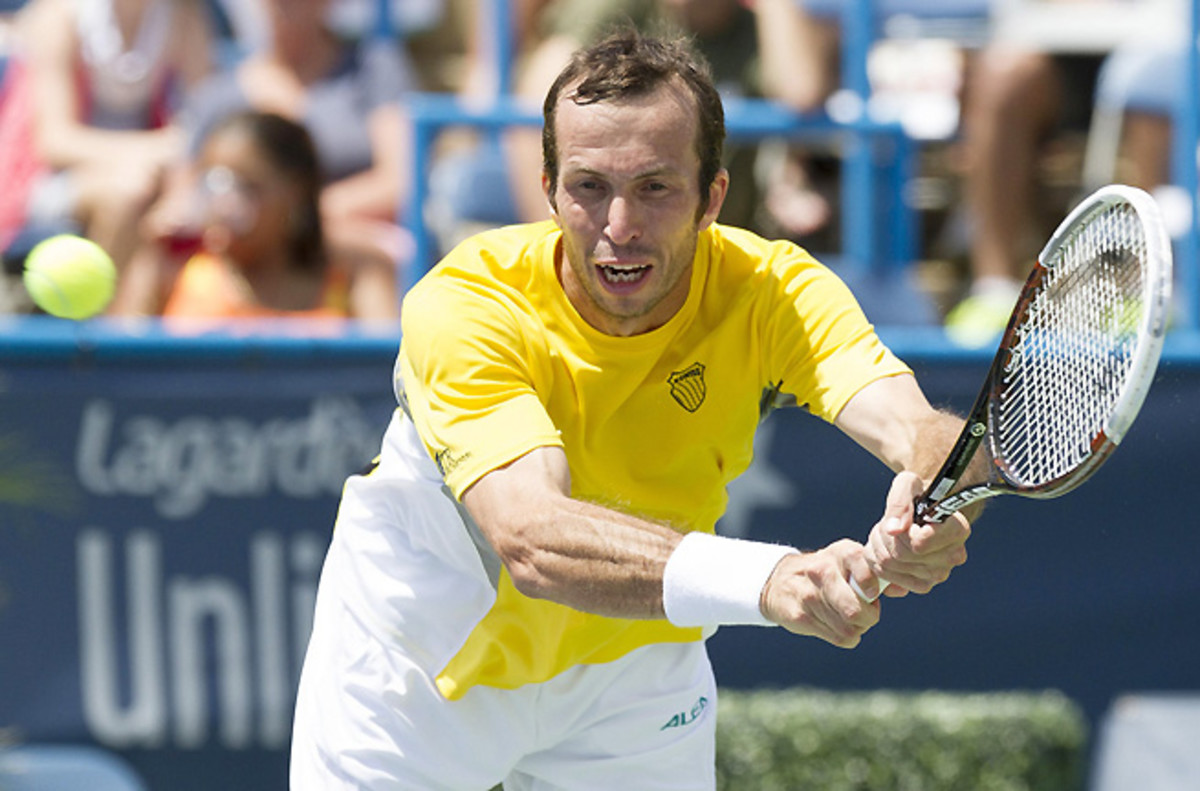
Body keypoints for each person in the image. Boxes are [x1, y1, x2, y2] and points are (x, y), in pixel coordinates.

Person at [291, 30, 978, 789]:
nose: (619, 225)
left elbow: (919, 429)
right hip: (415, 670)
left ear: (712, 197)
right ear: (549, 190)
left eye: (655, 187)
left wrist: (935, 495)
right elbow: (532, 537)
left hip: (632, 671)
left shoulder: (772, 291)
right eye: (589, 187)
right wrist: (772, 578)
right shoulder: (466, 305)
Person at [179, 0, 416, 269]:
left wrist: (300, 219)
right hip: (240, 261)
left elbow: (400, 181)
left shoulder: (375, 69)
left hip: (351, 255)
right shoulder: (216, 96)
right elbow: (185, 195)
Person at [110, 110, 399, 322]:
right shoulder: (172, 265)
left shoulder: (353, 269)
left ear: (295, 192)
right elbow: (123, 371)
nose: (225, 205)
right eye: (213, 184)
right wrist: (151, 265)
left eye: (247, 187)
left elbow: (386, 367)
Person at [0, 0, 213, 268]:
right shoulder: (58, 16)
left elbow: (204, 114)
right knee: (129, 190)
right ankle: (103, 297)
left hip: (154, 174)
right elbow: (55, 143)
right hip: (43, 182)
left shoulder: (184, 16)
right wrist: (156, 150)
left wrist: (179, 184)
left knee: (180, 204)